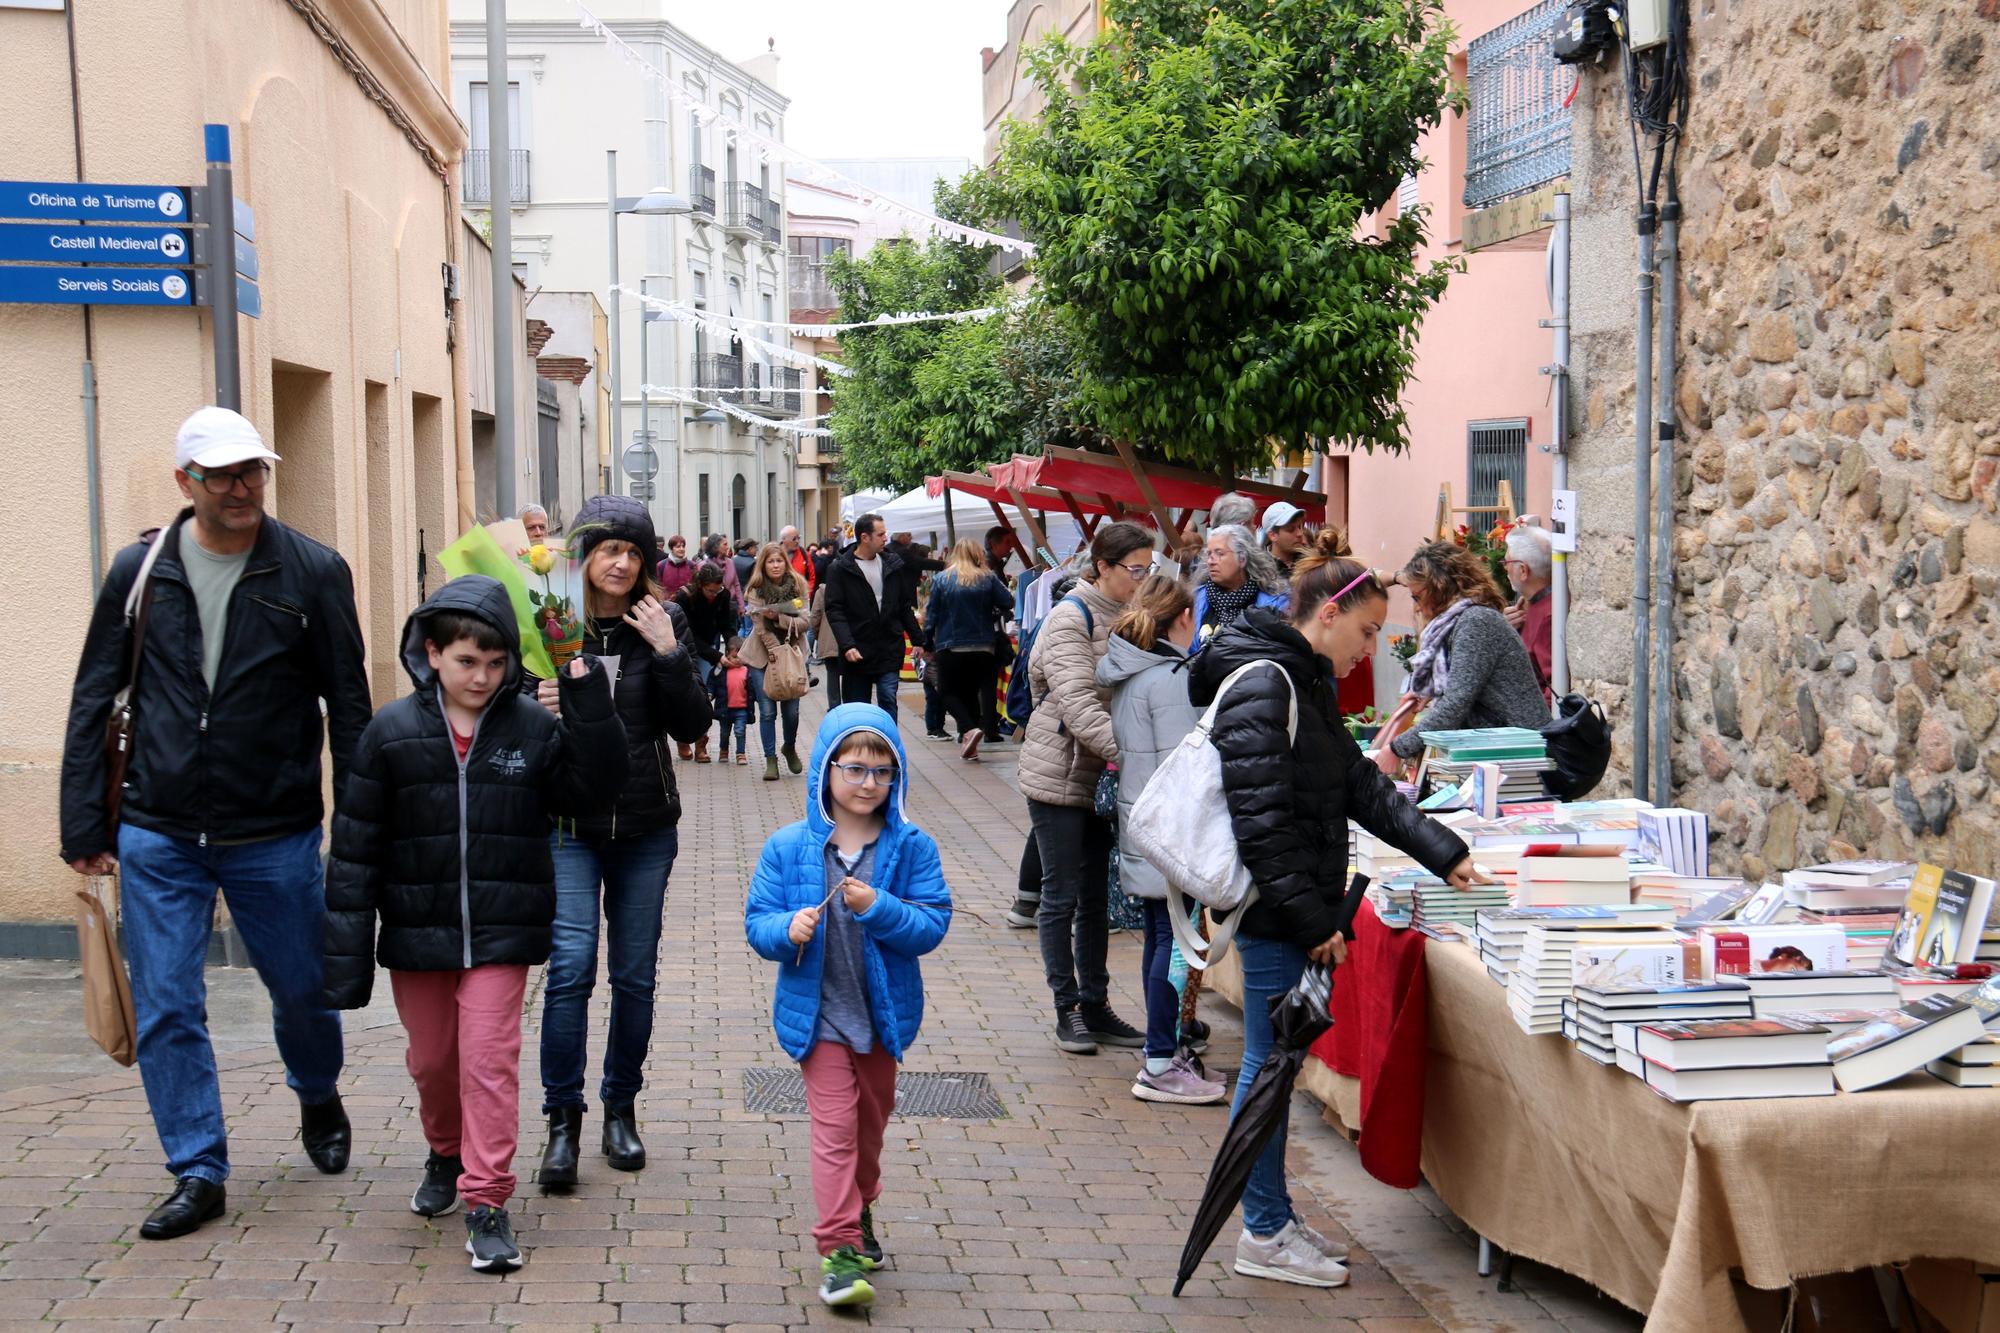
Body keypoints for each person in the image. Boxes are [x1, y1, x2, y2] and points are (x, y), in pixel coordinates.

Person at [59, 406, 372, 1241]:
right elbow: (96, 694)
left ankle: (316, 1089)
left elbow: (347, 700)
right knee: (166, 1002)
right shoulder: (140, 570)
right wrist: (85, 820)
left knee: (304, 988)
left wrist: (360, 823)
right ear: (185, 483)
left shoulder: (310, 570)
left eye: (254, 471)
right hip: (157, 827)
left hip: (274, 826)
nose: (243, 488)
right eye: (224, 474)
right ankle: (197, 1166)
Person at [1189, 531, 1489, 1288]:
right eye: (1365, 632)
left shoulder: (1303, 678)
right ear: (1328, 612)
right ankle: (1260, 1231)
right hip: (1273, 914)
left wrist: (1442, 850)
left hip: (1289, 909)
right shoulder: (1269, 682)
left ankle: (1272, 1215)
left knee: (1276, 1066)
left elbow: (1356, 784)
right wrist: (1314, 922)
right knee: (1267, 1067)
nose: (1370, 650)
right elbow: (1263, 825)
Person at [322, 576, 627, 1272]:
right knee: (434, 1062)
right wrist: (343, 955)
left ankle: (486, 1199)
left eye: (496, 664)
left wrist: (579, 677)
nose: (482, 677)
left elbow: (596, 786)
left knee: (488, 1063)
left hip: (502, 929)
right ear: (432, 653)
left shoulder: (534, 727)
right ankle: (444, 1149)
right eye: (466, 661)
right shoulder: (390, 732)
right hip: (417, 932)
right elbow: (354, 846)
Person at [528, 495, 712, 1189]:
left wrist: (668, 652)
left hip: (643, 825)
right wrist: (533, 698)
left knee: (633, 973)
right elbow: (503, 707)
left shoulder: (663, 621)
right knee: (571, 968)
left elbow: (693, 721)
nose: (621, 562)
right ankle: (561, 1122)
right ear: (584, 554)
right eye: (609, 548)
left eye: (633, 552)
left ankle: (619, 1108)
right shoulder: (549, 623)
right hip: (568, 823)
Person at [744, 707, 952, 1308]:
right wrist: (789, 928)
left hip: (882, 1023)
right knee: (834, 1130)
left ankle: (861, 1205)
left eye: (883, 772)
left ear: (899, 777)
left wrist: (877, 906)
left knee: (868, 1130)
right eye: (854, 768)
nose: (868, 783)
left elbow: (930, 925)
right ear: (824, 770)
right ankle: (838, 1252)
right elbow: (759, 926)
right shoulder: (789, 847)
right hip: (820, 1020)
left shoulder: (911, 846)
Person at [1020, 521, 1153, 1055]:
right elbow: (1078, 705)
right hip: (1060, 775)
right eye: (1134, 570)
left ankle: (1096, 1006)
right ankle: (1066, 1008)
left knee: (1097, 896)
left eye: (1149, 570)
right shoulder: (1067, 617)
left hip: (1105, 777)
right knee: (1062, 894)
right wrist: (1138, 759)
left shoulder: (1133, 616)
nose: (1142, 580)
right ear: (1103, 567)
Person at [1094, 574, 1227, 1106]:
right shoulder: (1170, 677)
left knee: (1159, 940)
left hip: (1145, 824)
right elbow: (1189, 761)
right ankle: (1158, 1059)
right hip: (1172, 829)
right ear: (1183, 619)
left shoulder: (1133, 672)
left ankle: (1162, 1052)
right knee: (1171, 945)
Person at [1382, 540, 1552, 775]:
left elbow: (1456, 703)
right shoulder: (1465, 620)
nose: (1418, 607)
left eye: (1417, 596)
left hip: (1520, 756)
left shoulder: (1476, 622)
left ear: (1441, 588)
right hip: (1504, 753)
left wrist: (1396, 749)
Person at [923, 538, 1015, 762]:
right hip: (984, 645)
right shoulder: (987, 577)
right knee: (974, 693)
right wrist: (992, 612)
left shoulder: (943, 579)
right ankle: (970, 742)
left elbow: (932, 613)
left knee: (946, 691)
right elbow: (1008, 602)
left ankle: (968, 729)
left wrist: (926, 641)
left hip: (950, 645)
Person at [823, 512, 923, 717]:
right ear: (864, 537)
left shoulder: (892, 565)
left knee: (888, 699)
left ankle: (888, 747)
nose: (886, 538)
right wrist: (847, 645)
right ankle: (861, 747)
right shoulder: (840, 568)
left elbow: (903, 606)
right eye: (881, 534)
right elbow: (835, 610)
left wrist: (918, 640)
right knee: (858, 709)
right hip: (857, 652)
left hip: (889, 648)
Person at [743, 542, 810, 780]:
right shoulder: (756, 589)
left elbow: (805, 621)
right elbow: (760, 626)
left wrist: (779, 617)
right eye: (770, 561)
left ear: (785, 562)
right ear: (763, 564)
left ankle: (789, 747)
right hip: (763, 657)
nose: (775, 565)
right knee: (768, 711)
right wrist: (775, 652)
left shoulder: (798, 585)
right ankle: (770, 759)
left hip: (792, 653)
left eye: (779, 560)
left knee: (791, 711)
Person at [671, 564, 740, 762]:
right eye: (710, 590)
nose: (714, 594)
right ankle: (683, 738)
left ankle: (701, 743)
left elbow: (727, 625)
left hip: (708, 648)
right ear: (700, 585)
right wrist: (717, 656)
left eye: (717, 589)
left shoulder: (723, 595)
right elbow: (688, 634)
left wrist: (733, 648)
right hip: (684, 647)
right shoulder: (685, 597)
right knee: (685, 695)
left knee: (704, 696)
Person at [1194, 524, 1289, 646]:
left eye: (1219, 553)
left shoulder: (1277, 603)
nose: (1210, 561)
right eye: (1209, 554)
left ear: (1242, 558)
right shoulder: (1195, 599)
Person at [1503, 523, 1556, 702]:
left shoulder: (1548, 615)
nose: (1504, 568)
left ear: (1523, 570)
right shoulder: (1533, 605)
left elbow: (1554, 690)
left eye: (1507, 562)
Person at [710, 641, 754, 765]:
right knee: (724, 732)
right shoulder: (720, 670)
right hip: (725, 708)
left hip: (742, 709)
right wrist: (709, 694)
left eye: (741, 657)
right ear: (727, 655)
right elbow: (712, 683)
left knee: (740, 731)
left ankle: (741, 753)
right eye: (735, 657)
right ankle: (723, 751)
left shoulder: (747, 671)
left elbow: (752, 689)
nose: (738, 660)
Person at [809, 580, 843, 709]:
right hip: (852, 641)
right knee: (850, 676)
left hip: (830, 640)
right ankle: (849, 707)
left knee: (832, 674)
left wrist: (820, 635)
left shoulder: (822, 591)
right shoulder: (853, 585)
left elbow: (814, 617)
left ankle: (834, 707)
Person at [1259, 501, 1309, 574]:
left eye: (1300, 527)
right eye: (1291, 529)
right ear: (1272, 535)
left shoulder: (1312, 566)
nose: (1300, 533)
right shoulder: (1260, 572)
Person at [657, 534, 696, 600]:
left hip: (687, 605)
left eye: (683, 546)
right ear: (671, 548)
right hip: (668, 605)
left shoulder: (692, 565)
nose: (681, 549)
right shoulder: (661, 565)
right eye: (678, 546)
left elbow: (695, 586)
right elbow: (657, 587)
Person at [780, 524, 817, 597]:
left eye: (798, 538)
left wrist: (807, 594)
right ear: (784, 540)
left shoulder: (805, 555)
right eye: (794, 539)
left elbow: (811, 577)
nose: (797, 541)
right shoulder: (775, 554)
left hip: (800, 599)